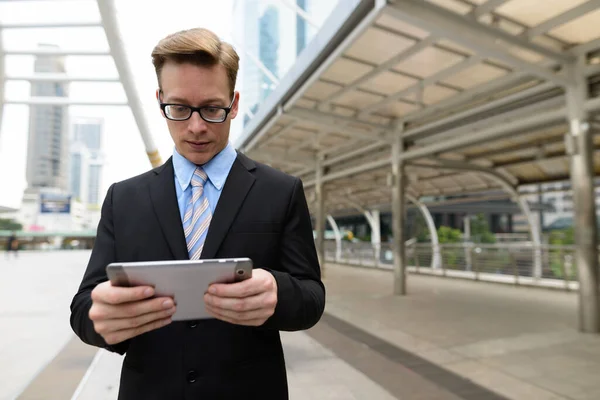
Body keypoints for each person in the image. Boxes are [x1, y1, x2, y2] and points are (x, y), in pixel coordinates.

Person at [69, 27, 325, 399]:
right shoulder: (122, 198)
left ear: (234, 104)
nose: (196, 126)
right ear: (159, 101)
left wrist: (278, 292)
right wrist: (101, 319)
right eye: (179, 108)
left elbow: (311, 297)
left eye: (211, 108)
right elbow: (82, 308)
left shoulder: (281, 191)